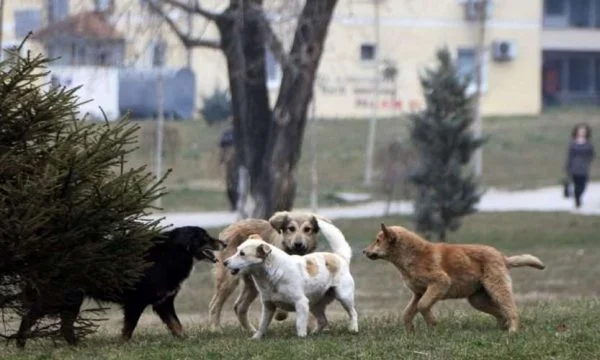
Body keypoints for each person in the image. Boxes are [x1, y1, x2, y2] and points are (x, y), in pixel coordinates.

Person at [565, 123, 595, 209]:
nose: (582, 133)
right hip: (574, 167)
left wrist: (588, 161)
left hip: (584, 167)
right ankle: (577, 199)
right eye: (580, 131)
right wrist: (568, 167)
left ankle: (577, 196)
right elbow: (570, 155)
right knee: (576, 184)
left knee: (583, 185)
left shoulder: (589, 144)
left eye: (583, 132)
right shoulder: (573, 144)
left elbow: (591, 154)